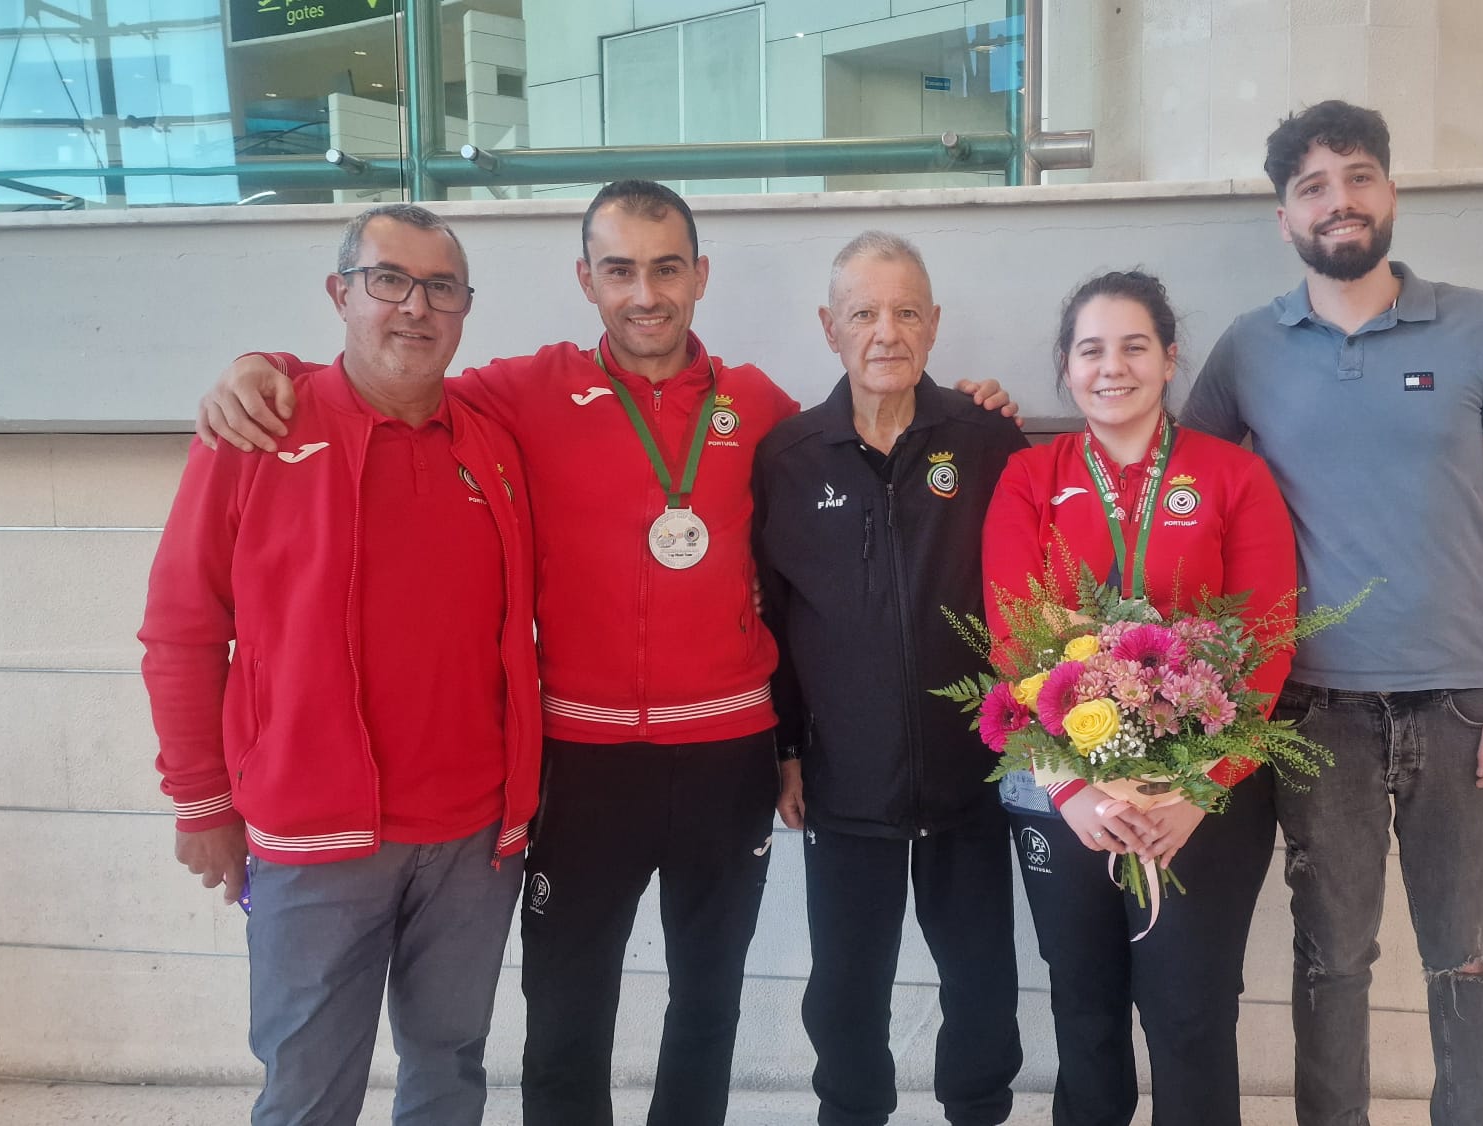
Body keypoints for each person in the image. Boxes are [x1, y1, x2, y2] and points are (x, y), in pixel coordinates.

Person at [195, 181, 1018, 1126]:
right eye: (619, 269)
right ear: (585, 280)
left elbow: (875, 430)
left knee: (707, 1003)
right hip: (582, 763)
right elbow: (393, 370)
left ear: (700, 277)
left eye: (667, 268)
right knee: (568, 1008)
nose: (645, 293)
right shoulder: (519, 392)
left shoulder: (763, 412)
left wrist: (973, 404)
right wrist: (268, 366)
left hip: (726, 757)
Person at [1183, 100, 1483, 1126]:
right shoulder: (1244, 350)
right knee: (1330, 961)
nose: (1337, 200)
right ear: (1282, 218)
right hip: (1312, 714)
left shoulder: (1481, 326)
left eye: (1356, 176)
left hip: (1464, 708)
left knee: (1468, 956)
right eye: (1311, 186)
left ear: (1388, 191)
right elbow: (1176, 500)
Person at [139, 203, 541, 1125]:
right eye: (388, 280)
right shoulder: (258, 429)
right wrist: (200, 799)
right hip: (314, 841)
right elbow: (182, 628)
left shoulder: (490, 438)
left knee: (449, 1071)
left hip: (475, 839)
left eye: (441, 287)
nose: (415, 307)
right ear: (340, 293)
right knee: (308, 1092)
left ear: (465, 309)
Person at [980, 270, 1298, 1126]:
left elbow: (1267, 644)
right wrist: (1073, 788)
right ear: (1065, 365)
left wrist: (1198, 791)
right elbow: (1013, 638)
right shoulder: (1028, 478)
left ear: (1169, 359)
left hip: (1202, 803)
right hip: (1065, 797)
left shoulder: (1234, 477)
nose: (1111, 367)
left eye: (1134, 346)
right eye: (1091, 349)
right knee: (1084, 1016)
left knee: (1190, 1018)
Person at [751, 231, 1028, 1126]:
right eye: (863, 312)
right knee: (846, 993)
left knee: (982, 984)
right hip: (845, 784)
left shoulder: (988, 442)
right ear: (829, 327)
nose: (886, 331)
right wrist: (788, 749)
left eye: (906, 311)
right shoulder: (789, 457)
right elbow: (776, 624)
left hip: (973, 776)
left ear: (935, 325)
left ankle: (979, 1111)